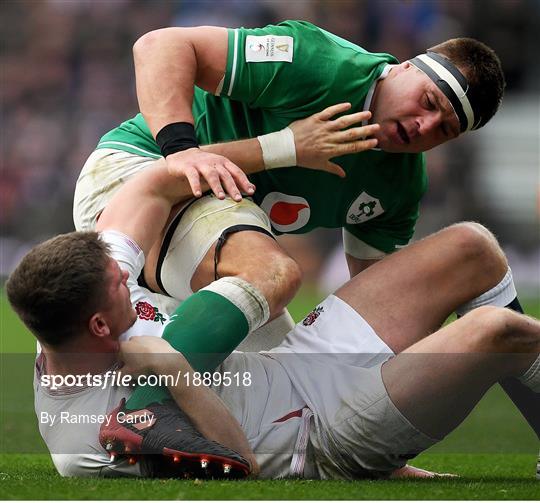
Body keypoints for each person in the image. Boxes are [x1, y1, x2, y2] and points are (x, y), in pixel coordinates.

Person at [73, 21, 540, 440]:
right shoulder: (320, 63)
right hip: (137, 177)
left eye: (445, 130)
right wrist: (182, 148)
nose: (425, 126)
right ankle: (139, 414)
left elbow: (377, 304)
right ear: (403, 68)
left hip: (214, 228)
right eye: (430, 102)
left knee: (294, 399)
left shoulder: (400, 183)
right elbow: (161, 45)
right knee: (272, 272)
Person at [7, 161, 539, 479]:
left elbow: (148, 189)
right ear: (99, 326)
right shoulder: (84, 440)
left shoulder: (69, 302)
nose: (131, 278)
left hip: (299, 363)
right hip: (326, 433)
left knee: (469, 247)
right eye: (121, 285)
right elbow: (241, 466)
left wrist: (281, 147)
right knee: (494, 333)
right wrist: (172, 369)